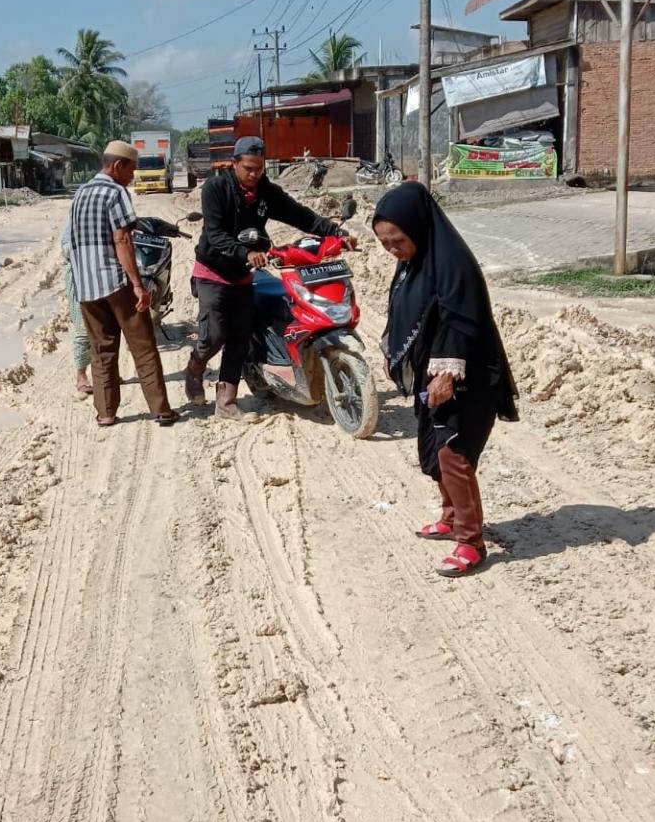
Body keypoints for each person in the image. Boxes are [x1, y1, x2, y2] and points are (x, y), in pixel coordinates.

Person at [372, 183, 517, 578]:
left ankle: (471, 542)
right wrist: (395, 353)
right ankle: (451, 517)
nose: (393, 251)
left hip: (467, 375)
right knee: (437, 448)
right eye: (385, 244)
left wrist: (445, 374)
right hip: (431, 374)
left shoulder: (454, 264)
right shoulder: (412, 263)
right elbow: (401, 306)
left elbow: (461, 320)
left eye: (397, 241)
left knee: (453, 452)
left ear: (418, 228)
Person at [184, 136, 355, 421]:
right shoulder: (215, 188)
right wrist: (245, 253)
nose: (254, 175)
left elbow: (300, 215)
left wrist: (336, 233)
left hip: (242, 275)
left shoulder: (265, 192)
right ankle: (196, 365)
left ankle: (226, 402)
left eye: (259, 169)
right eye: (248, 168)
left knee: (239, 336)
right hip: (213, 272)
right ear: (234, 163)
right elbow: (214, 234)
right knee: (214, 335)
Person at [69, 140, 179, 428]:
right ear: (117, 166)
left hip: (86, 286)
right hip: (115, 282)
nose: (132, 177)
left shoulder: (80, 192)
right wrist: (138, 285)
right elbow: (122, 239)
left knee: (102, 350)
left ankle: (106, 413)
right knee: (143, 346)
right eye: (131, 170)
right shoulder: (115, 192)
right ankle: (162, 411)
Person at [60, 221, 92, 396]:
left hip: (104, 280)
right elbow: (67, 249)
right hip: (79, 281)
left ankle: (108, 373)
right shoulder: (74, 222)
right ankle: (81, 375)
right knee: (82, 330)